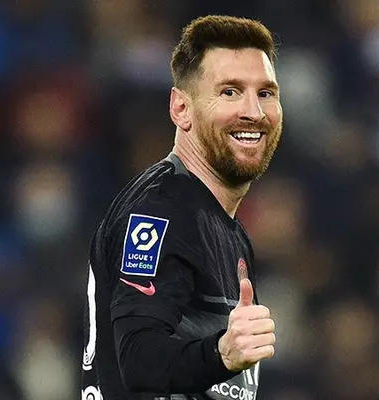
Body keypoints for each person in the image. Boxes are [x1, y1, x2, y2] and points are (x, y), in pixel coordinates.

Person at [81, 15, 283, 400]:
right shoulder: (159, 211)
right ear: (181, 109)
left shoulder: (226, 227)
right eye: (229, 92)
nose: (254, 112)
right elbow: (138, 360)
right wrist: (221, 354)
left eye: (265, 93)